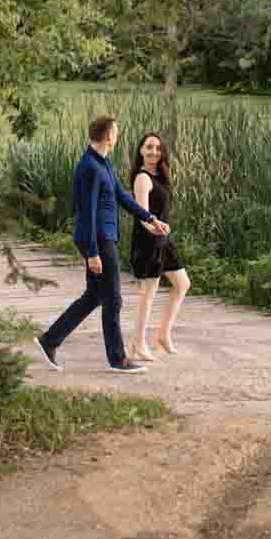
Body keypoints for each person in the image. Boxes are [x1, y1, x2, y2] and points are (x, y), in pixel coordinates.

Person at [35, 115, 171, 374]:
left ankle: (49, 340)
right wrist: (92, 253)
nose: (118, 136)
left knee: (95, 295)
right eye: (116, 132)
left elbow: (122, 195)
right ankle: (118, 359)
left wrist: (151, 218)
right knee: (114, 299)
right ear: (108, 137)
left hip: (104, 237)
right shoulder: (89, 167)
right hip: (98, 239)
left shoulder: (104, 163)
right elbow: (86, 213)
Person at [126, 130, 191, 361]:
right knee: (149, 292)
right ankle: (138, 342)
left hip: (163, 240)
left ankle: (163, 333)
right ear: (141, 151)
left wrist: (162, 230)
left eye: (157, 148)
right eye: (149, 147)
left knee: (182, 284)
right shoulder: (142, 178)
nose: (153, 151)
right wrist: (157, 227)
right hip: (148, 242)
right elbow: (143, 215)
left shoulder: (161, 176)